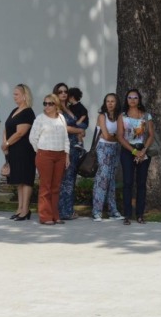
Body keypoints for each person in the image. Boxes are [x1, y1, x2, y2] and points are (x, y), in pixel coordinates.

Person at [29, 93, 70, 225]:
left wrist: (66, 155)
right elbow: (32, 137)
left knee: (56, 187)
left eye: (50, 103)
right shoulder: (40, 119)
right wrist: (40, 151)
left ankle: (55, 215)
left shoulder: (62, 118)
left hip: (60, 155)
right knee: (45, 187)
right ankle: (45, 216)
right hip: (45, 154)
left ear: (56, 105)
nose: (47, 106)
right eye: (45, 103)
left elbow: (66, 138)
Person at [117, 88, 155, 225]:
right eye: (130, 97)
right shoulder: (122, 116)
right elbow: (120, 137)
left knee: (141, 183)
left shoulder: (146, 116)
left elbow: (151, 135)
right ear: (126, 100)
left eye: (135, 97)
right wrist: (134, 152)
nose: (132, 100)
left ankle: (140, 214)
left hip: (143, 151)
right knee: (127, 183)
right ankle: (127, 214)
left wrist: (143, 150)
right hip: (128, 151)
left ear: (139, 100)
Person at [2, 84, 36, 221]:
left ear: (24, 96)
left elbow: (21, 132)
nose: (14, 96)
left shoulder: (28, 112)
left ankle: (25, 209)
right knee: (18, 181)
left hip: (24, 150)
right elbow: (7, 127)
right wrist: (5, 143)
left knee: (25, 179)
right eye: (14, 94)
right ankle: (20, 208)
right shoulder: (14, 110)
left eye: (16, 94)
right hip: (13, 150)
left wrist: (7, 143)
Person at [54, 83, 86, 221]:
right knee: (65, 180)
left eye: (65, 91)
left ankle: (68, 210)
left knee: (70, 179)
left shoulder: (69, 108)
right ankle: (63, 211)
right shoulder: (57, 109)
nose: (63, 94)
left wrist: (80, 132)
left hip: (75, 147)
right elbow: (64, 128)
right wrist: (79, 130)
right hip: (64, 147)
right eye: (60, 92)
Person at [91, 93, 125, 222]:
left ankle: (113, 210)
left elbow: (122, 134)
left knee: (111, 179)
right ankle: (96, 211)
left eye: (113, 101)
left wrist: (116, 137)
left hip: (115, 148)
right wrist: (117, 136)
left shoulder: (120, 117)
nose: (110, 103)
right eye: (108, 101)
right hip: (103, 148)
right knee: (102, 178)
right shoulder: (102, 116)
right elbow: (105, 135)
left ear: (117, 103)